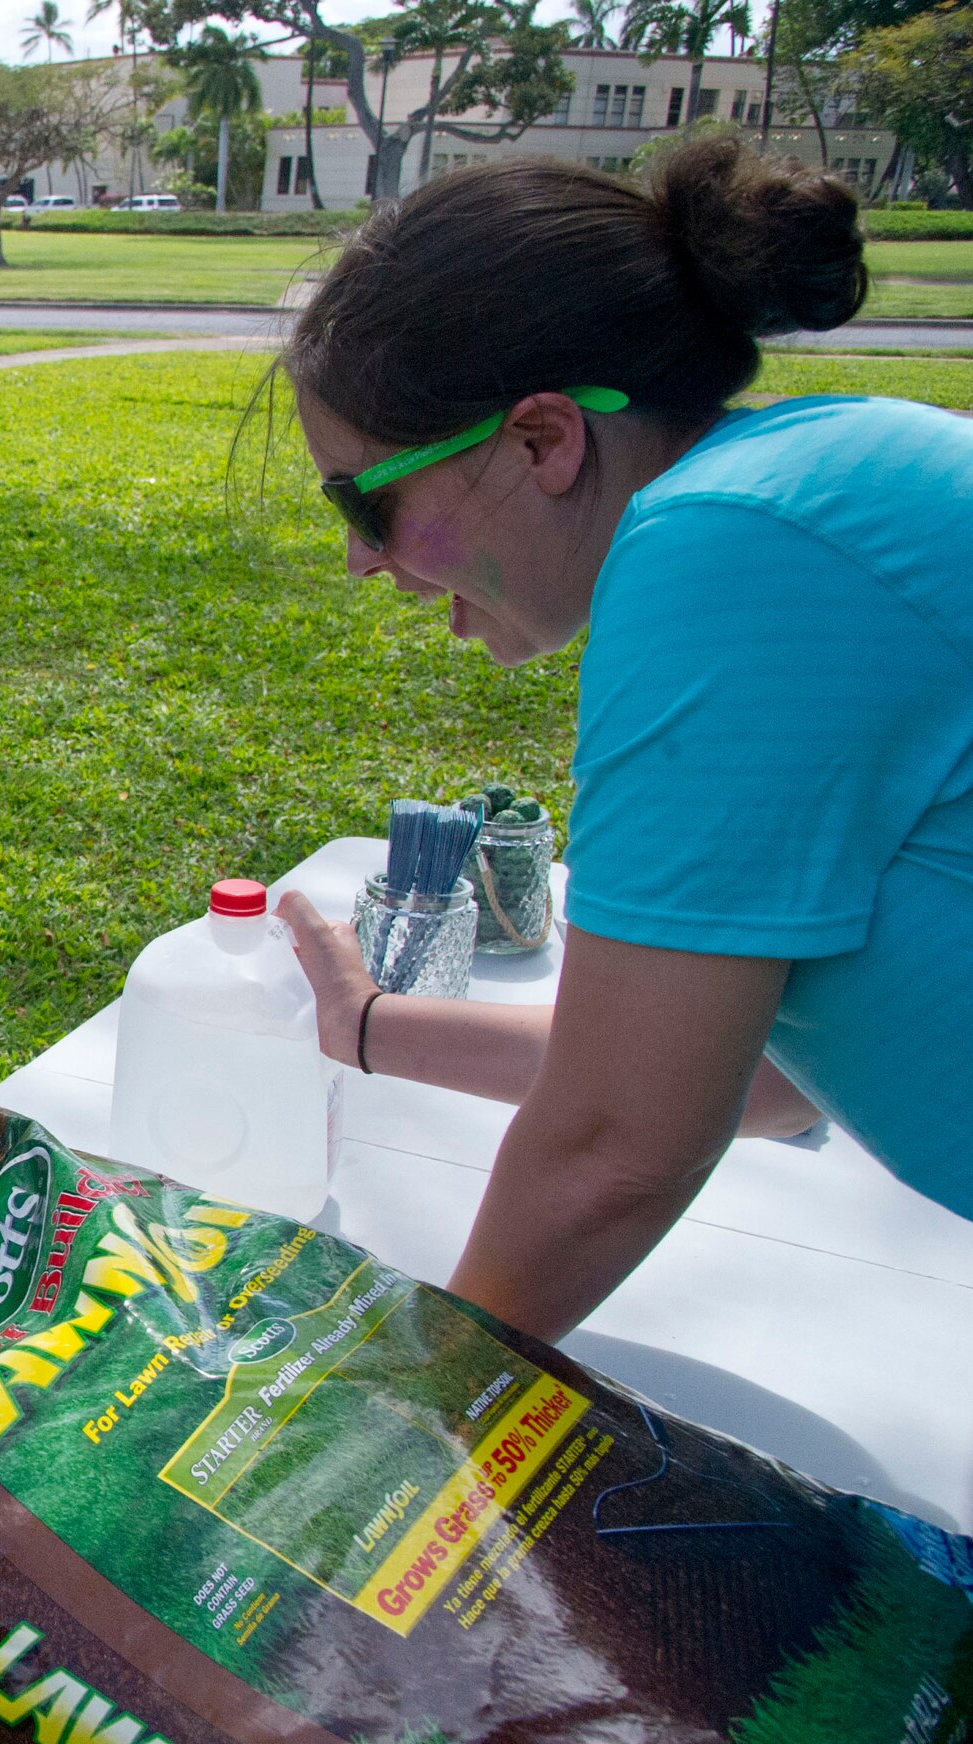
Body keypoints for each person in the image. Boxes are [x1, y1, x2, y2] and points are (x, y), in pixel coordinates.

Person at [277, 137, 973, 1343]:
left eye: (363, 498)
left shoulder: (730, 544)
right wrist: (371, 1025)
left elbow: (615, 1146)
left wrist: (401, 1435)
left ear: (541, 439)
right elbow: (745, 1074)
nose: (356, 556)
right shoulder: (809, 479)